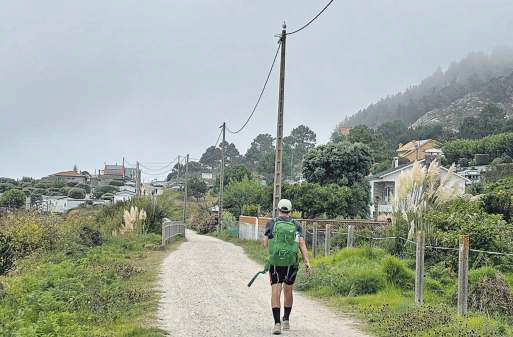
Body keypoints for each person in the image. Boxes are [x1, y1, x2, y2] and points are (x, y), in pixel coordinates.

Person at [263, 199, 311, 335]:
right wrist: (307, 261)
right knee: (288, 290)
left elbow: (265, 244)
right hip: (291, 263)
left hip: (276, 262)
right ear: (290, 211)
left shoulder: (271, 223)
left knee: (276, 291)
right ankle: (286, 320)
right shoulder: (296, 224)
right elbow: (301, 244)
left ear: (278, 209)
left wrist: (271, 253)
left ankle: (277, 324)